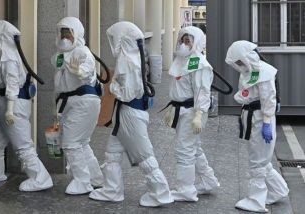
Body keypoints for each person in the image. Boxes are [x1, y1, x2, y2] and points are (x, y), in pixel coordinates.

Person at [89, 21, 174, 207]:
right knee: (112, 153)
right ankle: (112, 190)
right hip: (127, 113)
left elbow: (126, 93)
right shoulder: (134, 57)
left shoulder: (127, 61)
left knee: (144, 156)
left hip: (129, 113)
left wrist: (111, 86)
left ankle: (161, 193)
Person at [0, 20, 53, 192]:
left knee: (23, 145)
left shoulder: (8, 56)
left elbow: (12, 83)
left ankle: (41, 178)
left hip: (12, 105)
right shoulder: (6, 53)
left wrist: (9, 110)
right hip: (7, 104)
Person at [225, 40, 289, 213]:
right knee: (262, 159)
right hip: (253, 118)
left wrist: (267, 123)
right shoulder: (250, 71)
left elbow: (269, 99)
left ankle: (256, 200)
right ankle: (278, 191)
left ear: (247, 57)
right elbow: (246, 94)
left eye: (239, 61)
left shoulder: (264, 72)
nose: (238, 65)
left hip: (261, 119)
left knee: (258, 162)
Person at [164, 26, 219, 202]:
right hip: (182, 110)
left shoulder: (198, 62)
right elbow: (180, 88)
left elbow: (202, 91)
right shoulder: (182, 60)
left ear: (197, 42)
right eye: (183, 39)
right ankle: (208, 181)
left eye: (189, 40)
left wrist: (198, 115)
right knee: (194, 148)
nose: (184, 43)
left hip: (192, 113)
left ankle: (186, 190)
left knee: (185, 150)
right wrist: (172, 108)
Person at [50, 17, 103, 195]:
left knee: (71, 142)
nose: (65, 38)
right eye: (62, 33)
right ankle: (95, 178)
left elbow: (87, 71)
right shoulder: (59, 56)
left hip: (83, 101)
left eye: (69, 34)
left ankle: (82, 182)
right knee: (82, 142)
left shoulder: (82, 51)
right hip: (70, 102)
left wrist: (80, 71)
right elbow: (59, 81)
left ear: (77, 34)